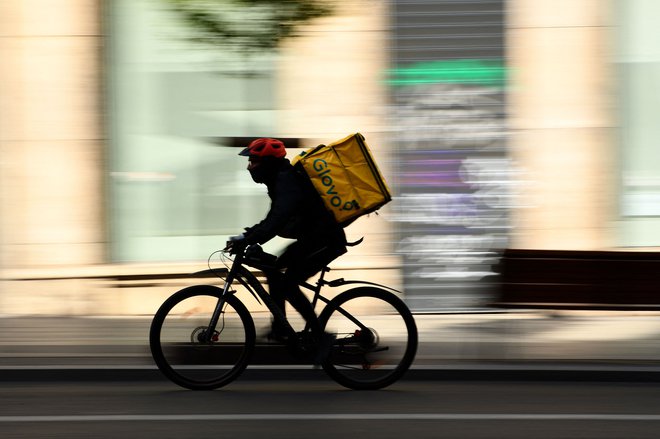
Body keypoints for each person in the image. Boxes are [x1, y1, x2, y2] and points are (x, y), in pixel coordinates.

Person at [226, 137, 346, 362]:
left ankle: (321, 336)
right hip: (312, 238)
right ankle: (280, 328)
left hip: (326, 241)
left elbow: (279, 218)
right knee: (273, 269)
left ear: (268, 163)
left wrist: (250, 238)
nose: (249, 166)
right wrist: (249, 235)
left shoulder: (285, 180)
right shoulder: (279, 180)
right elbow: (275, 217)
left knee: (289, 283)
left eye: (253, 161)